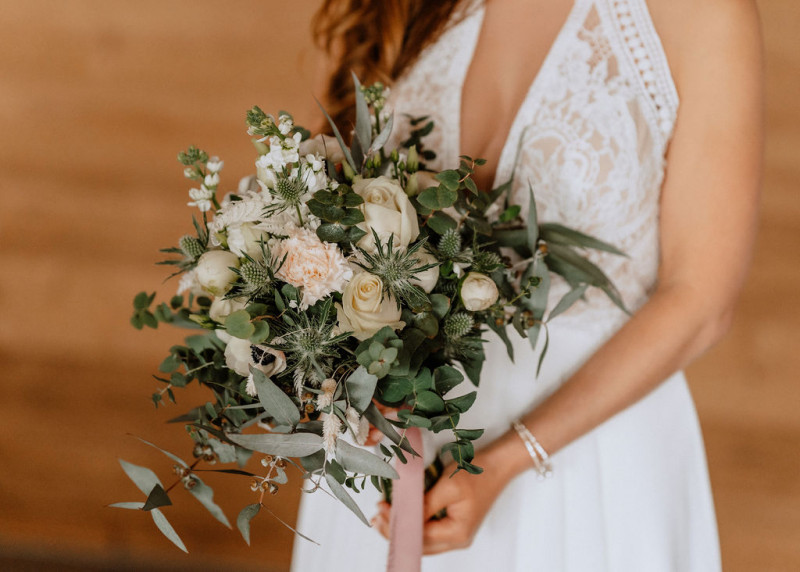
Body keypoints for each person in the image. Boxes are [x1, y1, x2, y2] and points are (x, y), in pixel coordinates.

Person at [293, 0, 763, 569]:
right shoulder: (399, 8)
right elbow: (329, 203)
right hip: (390, 452)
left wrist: (511, 458)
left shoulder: (704, 15)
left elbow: (700, 300)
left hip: (587, 456)